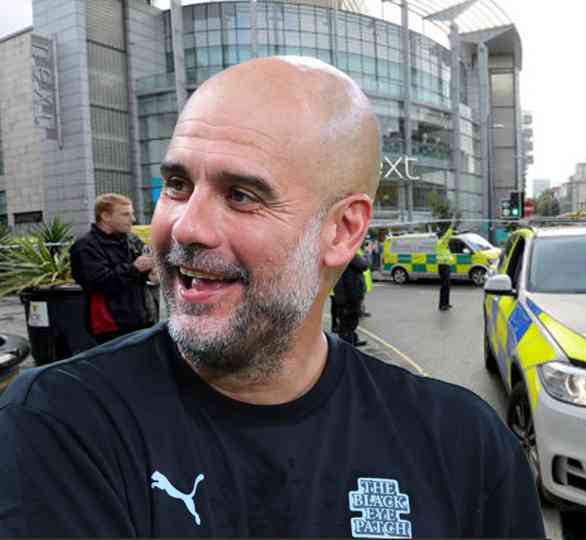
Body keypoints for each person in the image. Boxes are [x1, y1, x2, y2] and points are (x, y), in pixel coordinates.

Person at [0, 57, 544, 537]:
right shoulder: (60, 426)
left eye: (241, 195)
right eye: (178, 185)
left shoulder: (463, 448)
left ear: (342, 231)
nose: (186, 227)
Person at [69, 193, 158, 345]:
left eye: (132, 214)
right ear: (105, 216)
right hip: (110, 326)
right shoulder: (85, 246)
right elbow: (98, 283)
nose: (133, 219)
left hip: (142, 319)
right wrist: (135, 268)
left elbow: (140, 276)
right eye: (125, 214)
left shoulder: (132, 240)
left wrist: (151, 273)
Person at [333, 251, 368, 346]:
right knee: (348, 323)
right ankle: (347, 346)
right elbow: (364, 265)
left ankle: (352, 341)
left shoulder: (341, 256)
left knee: (350, 322)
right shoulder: (348, 254)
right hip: (350, 296)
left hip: (349, 294)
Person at [437, 224, 455, 311]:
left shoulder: (444, 246)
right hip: (443, 267)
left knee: (447, 286)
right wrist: (451, 226)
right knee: (444, 286)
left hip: (446, 266)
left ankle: (446, 303)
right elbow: (447, 236)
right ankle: (442, 305)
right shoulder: (441, 243)